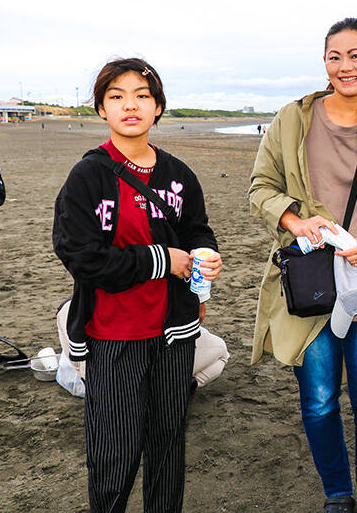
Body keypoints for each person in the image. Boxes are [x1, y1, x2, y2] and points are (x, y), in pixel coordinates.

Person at [249, 18, 357, 513]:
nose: (345, 66)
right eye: (335, 56)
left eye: (355, 55)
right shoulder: (291, 120)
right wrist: (294, 220)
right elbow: (259, 187)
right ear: (324, 64)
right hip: (310, 284)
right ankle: (336, 494)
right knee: (320, 399)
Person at [52, 57, 223, 513]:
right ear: (101, 110)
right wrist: (163, 260)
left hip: (174, 332)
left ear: (159, 107)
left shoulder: (179, 175)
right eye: (117, 96)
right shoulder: (88, 176)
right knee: (116, 449)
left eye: (142, 96)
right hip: (112, 333)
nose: (131, 105)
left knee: (168, 442)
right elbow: (82, 257)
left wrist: (204, 254)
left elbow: (196, 231)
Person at [55, 298, 230, 390]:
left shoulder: (68, 307)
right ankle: (177, 389)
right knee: (221, 352)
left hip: (95, 381)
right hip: (137, 370)